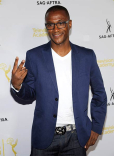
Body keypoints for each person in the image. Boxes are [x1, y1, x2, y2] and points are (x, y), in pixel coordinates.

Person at [11, 5, 107, 156]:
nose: (55, 29)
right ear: (46, 27)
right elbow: (29, 95)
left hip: (77, 137)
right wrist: (17, 86)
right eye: (50, 24)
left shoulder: (87, 56)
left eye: (61, 23)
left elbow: (100, 93)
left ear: (69, 24)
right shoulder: (34, 56)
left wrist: (96, 127)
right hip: (43, 138)